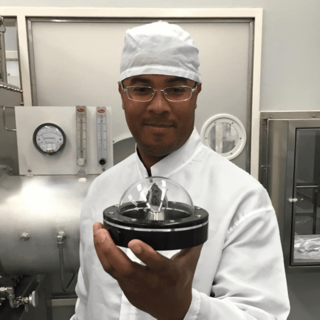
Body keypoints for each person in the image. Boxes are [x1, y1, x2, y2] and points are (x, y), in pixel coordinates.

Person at [72, 21, 290, 320]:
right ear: (123, 94)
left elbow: (262, 315)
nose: (158, 105)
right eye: (141, 88)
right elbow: (86, 302)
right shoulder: (102, 189)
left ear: (196, 93)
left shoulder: (243, 197)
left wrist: (185, 309)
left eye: (176, 89)